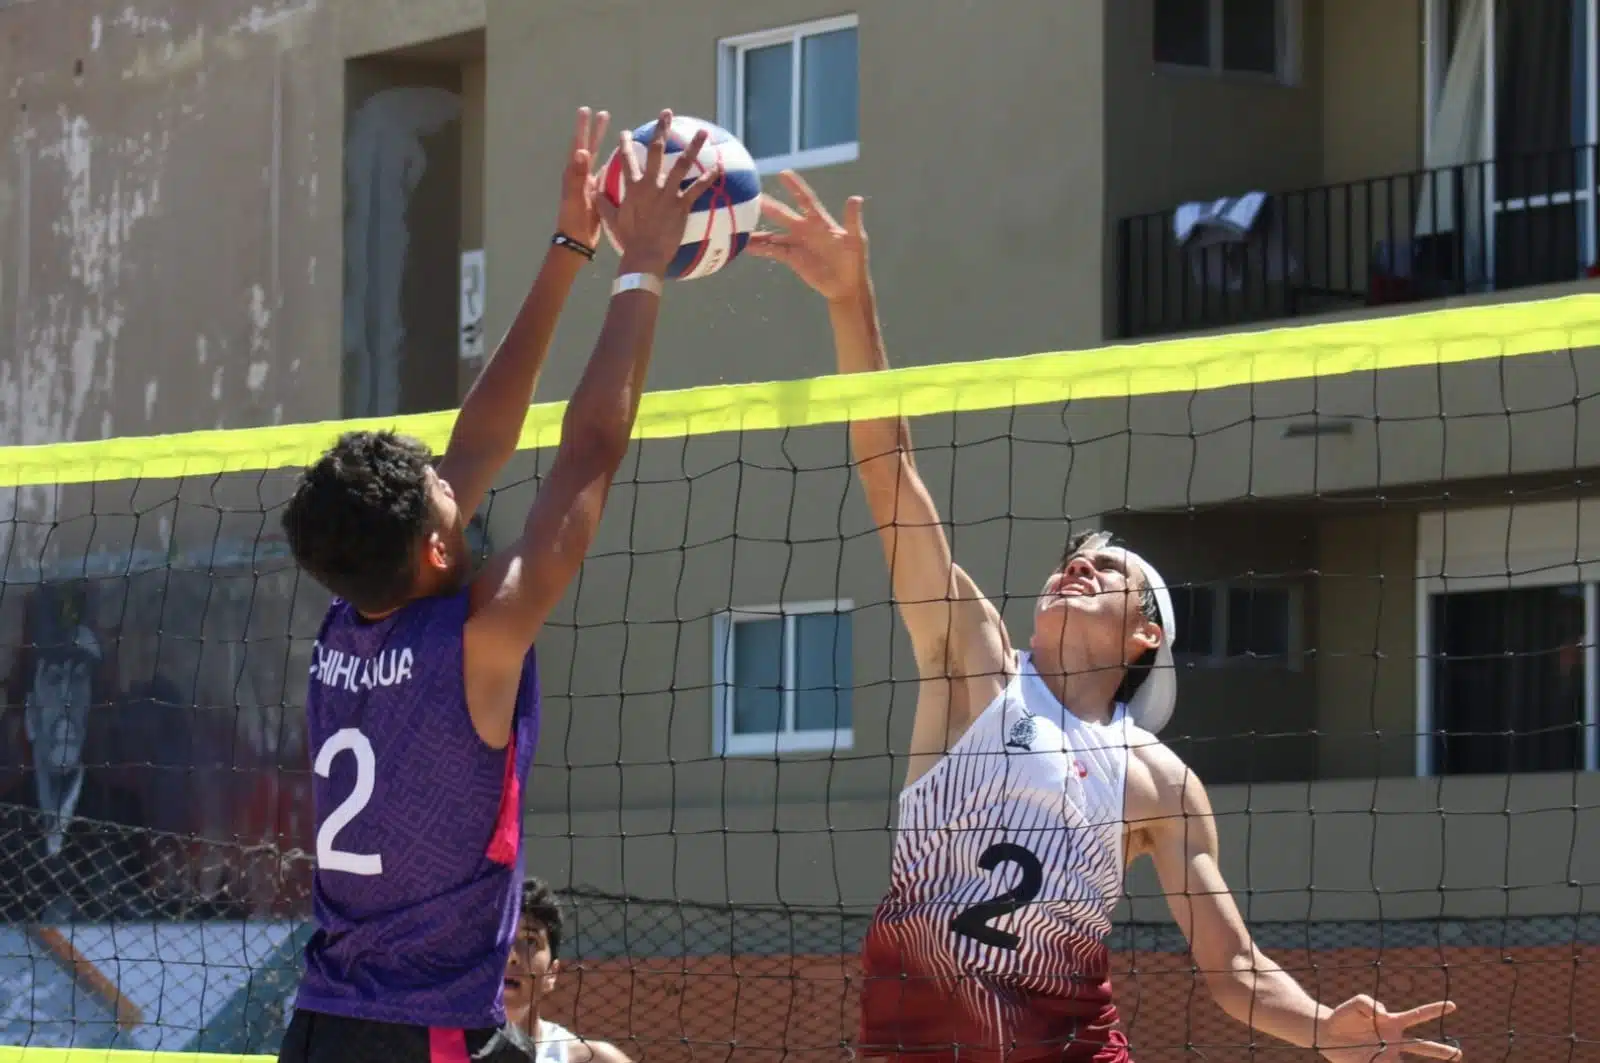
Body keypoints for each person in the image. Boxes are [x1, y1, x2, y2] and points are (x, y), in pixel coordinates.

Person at [750, 173, 1463, 1063]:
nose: (1078, 564)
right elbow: (889, 471)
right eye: (1071, 559)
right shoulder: (972, 658)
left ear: (1147, 634)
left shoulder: (1159, 781)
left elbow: (1233, 966)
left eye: (1109, 566)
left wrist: (1323, 1028)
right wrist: (850, 298)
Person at [275, 108, 721, 1063]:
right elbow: (590, 450)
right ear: (436, 549)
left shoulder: (347, 622)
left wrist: (570, 244)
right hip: (422, 1033)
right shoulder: (477, 642)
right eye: (442, 492)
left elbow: (481, 441)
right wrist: (641, 267)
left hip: (320, 1023)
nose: (454, 476)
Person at [472, 878, 632, 1062]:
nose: (511, 956)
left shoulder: (591, 1059)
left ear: (552, 973)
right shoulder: (441, 1049)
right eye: (499, 938)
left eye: (530, 940)